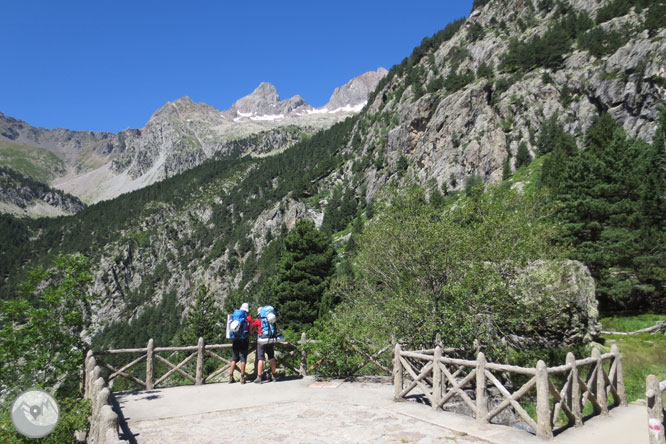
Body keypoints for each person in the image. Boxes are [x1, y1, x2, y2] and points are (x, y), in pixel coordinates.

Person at [253, 306, 278, 384]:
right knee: (271, 357)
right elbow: (276, 326)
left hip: (261, 339)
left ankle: (259, 377)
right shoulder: (270, 319)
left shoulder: (257, 320)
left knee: (260, 358)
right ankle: (274, 375)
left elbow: (253, 329)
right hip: (270, 338)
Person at [228, 302, 252, 384]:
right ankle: (242, 377)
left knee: (234, 359)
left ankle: (230, 376)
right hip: (244, 340)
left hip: (235, 340)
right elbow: (250, 331)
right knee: (243, 359)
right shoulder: (247, 318)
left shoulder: (234, 316)